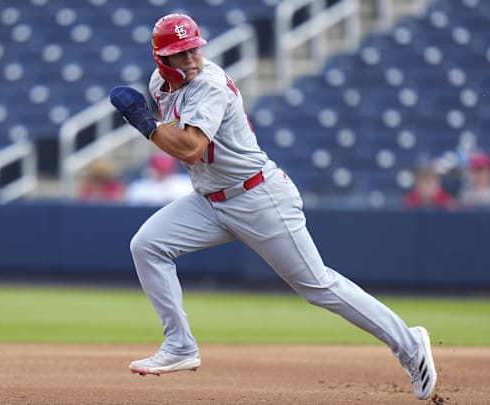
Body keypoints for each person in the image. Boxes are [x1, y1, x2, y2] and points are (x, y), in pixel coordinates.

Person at [109, 14, 437, 400]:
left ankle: (410, 345)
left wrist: (144, 123)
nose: (192, 59)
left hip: (257, 196)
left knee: (318, 286)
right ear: (162, 59)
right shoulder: (159, 84)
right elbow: (183, 142)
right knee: (147, 245)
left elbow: (192, 148)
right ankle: (180, 346)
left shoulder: (209, 85)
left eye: (195, 48)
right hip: (210, 200)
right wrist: (151, 122)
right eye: (181, 53)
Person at [125, 150, 193, 206]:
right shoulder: (139, 187)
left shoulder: (186, 184)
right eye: (160, 170)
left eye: (166, 171)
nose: (163, 173)